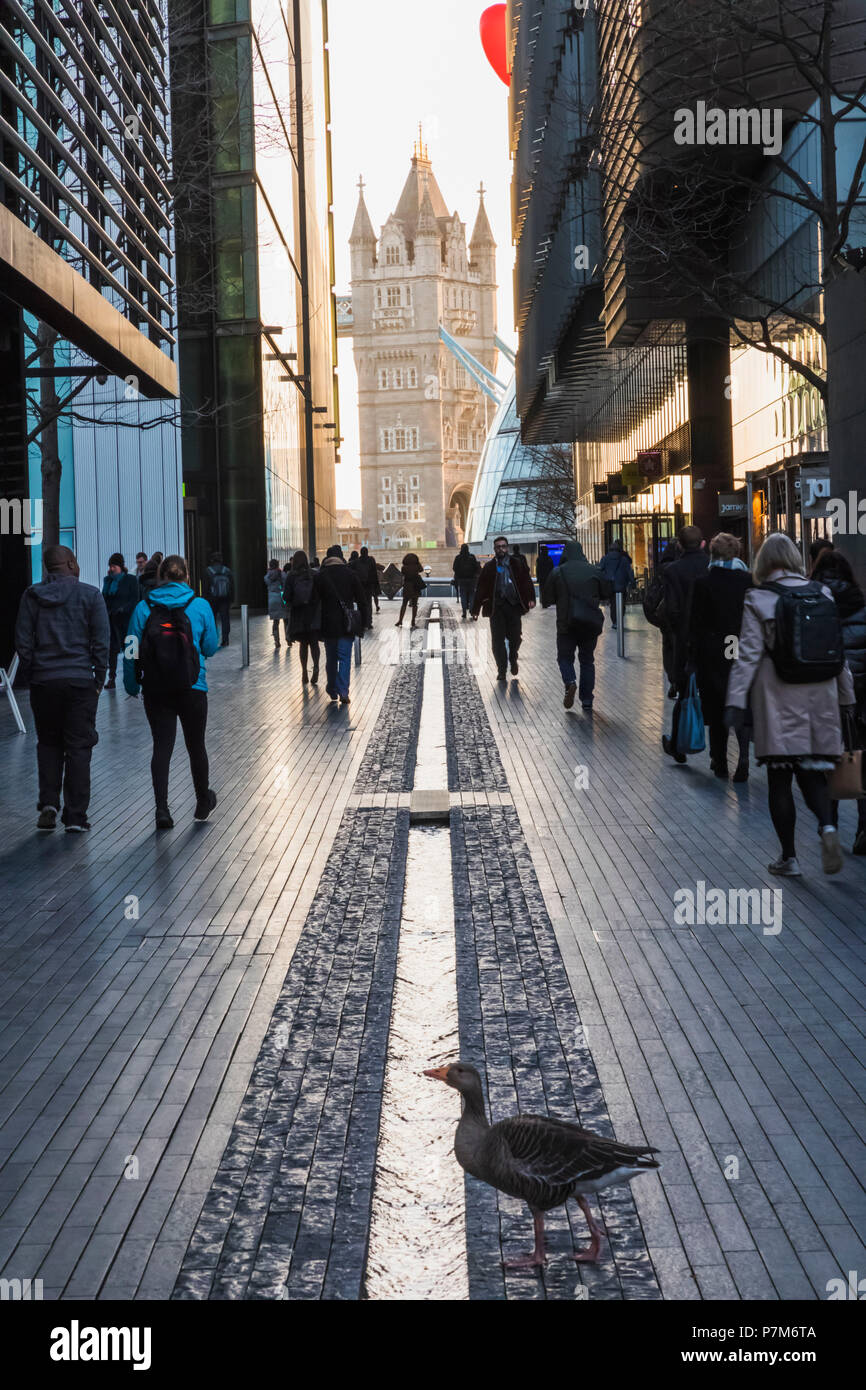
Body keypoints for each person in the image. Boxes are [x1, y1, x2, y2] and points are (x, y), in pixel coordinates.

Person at [725, 532, 855, 876]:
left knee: (780, 779)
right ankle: (827, 827)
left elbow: (748, 655)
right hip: (822, 699)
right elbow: (837, 652)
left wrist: (735, 701)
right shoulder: (822, 593)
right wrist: (847, 697)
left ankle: (789, 858)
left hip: (778, 699)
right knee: (813, 773)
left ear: (764, 562)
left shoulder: (759, 598)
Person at [14, 545, 110, 833]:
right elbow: (101, 642)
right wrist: (98, 679)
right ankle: (76, 817)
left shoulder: (31, 596)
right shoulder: (91, 595)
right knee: (79, 748)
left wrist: (35, 671)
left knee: (49, 743)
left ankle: (48, 804)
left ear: (47, 568)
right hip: (80, 682)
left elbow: (22, 640)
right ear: (70, 563)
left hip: (44, 682)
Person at [124, 554, 220, 830]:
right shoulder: (199, 605)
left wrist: (132, 684)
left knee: (162, 747)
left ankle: (162, 810)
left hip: (156, 688)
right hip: (193, 687)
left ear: (160, 577)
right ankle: (203, 800)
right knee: (196, 745)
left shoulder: (143, 608)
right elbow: (211, 647)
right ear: (187, 577)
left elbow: (130, 647)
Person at [810, 543, 866, 853]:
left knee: (825, 761)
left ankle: (827, 824)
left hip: (826, 694)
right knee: (861, 759)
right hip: (861, 697)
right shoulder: (862, 604)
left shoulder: (812, 604)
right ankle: (863, 827)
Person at [687, 533, 753, 780]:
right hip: (740, 647)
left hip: (711, 652)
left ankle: (719, 759)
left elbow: (695, 623)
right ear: (735, 553)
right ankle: (744, 754)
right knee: (740, 702)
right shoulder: (747, 580)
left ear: (713, 554)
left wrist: (692, 658)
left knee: (716, 708)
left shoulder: (703, 582)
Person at [541, 540, 610, 710]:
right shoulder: (594, 570)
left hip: (566, 624)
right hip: (589, 624)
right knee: (587, 661)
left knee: (564, 658)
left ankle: (570, 681)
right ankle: (587, 699)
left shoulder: (558, 572)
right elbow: (607, 592)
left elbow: (546, 599)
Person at [661, 526, 710, 760]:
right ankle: (719, 758)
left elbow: (671, 611)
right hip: (713, 641)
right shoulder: (711, 566)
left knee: (684, 694)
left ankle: (678, 744)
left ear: (679, 545)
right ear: (703, 544)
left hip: (685, 641)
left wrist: (677, 635)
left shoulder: (673, 571)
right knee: (716, 694)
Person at [471, 535, 537, 681]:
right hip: (496, 608)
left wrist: (530, 598)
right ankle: (502, 669)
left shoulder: (516, 563)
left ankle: (513, 658)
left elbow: (526, 581)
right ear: (494, 549)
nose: (501, 549)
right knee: (497, 640)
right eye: (498, 547)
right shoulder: (489, 567)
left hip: (513, 607)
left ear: (507, 547)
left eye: (503, 546)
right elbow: (480, 588)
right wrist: (475, 609)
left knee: (515, 637)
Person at [316, 544, 366, 704]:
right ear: (340, 557)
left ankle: (332, 689)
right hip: (347, 624)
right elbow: (362, 600)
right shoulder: (350, 574)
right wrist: (363, 622)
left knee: (331, 658)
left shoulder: (320, 576)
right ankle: (343, 691)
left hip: (328, 624)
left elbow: (314, 601)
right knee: (345, 658)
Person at [643, 539, 679, 695]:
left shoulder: (662, 569)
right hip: (680, 614)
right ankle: (680, 680)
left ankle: (673, 680)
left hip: (665, 615)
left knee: (669, 647)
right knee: (681, 647)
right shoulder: (681, 568)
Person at [101, 553, 140, 689]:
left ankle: (135, 676)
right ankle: (111, 678)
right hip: (112, 621)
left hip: (127, 621)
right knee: (112, 651)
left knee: (131, 650)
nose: (111, 569)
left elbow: (135, 599)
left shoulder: (130, 580)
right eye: (110, 566)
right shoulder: (108, 581)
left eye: (114, 566)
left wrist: (123, 609)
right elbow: (104, 598)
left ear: (121, 566)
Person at [283, 549, 321, 685]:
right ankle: (316, 665)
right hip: (314, 613)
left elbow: (286, 597)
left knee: (303, 644)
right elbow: (320, 594)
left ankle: (304, 671)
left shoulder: (291, 576)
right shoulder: (314, 574)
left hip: (299, 614)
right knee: (314, 643)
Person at [598, 538, 634, 628]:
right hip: (622, 585)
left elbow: (599, 570)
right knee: (622, 604)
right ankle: (619, 619)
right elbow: (629, 572)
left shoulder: (605, 558)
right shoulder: (624, 559)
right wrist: (632, 583)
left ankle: (615, 622)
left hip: (610, 585)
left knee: (613, 604)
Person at [204, 551, 234, 646]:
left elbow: (205, 587)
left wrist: (205, 598)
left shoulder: (208, 571)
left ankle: (214, 639)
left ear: (212, 560)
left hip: (212, 599)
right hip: (225, 598)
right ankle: (225, 639)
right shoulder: (227, 571)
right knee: (225, 619)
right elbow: (232, 586)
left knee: (212, 619)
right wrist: (231, 598)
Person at [396, 552, 425, 629]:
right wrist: (418, 562)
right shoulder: (417, 566)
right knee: (415, 605)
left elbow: (403, 575)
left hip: (407, 586)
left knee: (404, 604)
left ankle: (400, 620)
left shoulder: (404, 567)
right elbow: (421, 570)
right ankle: (413, 621)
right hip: (416, 586)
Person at [453, 543, 481, 619]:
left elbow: (454, 568)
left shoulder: (458, 558)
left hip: (462, 580)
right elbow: (476, 567)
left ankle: (464, 612)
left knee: (463, 595)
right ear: (468, 549)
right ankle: (471, 610)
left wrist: (459, 575)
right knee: (472, 595)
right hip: (472, 580)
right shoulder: (472, 557)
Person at [355, 545, 381, 622]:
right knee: (369, 603)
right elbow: (374, 573)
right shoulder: (371, 560)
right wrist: (376, 585)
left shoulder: (357, 561)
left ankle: (363, 620)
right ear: (367, 552)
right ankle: (369, 620)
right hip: (369, 585)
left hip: (361, 585)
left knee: (361, 603)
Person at [264, 558, 286, 649]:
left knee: (275, 622)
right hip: (281, 598)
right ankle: (288, 637)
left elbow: (267, 582)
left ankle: (277, 640)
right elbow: (285, 584)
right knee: (286, 619)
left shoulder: (267, 576)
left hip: (272, 599)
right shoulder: (282, 574)